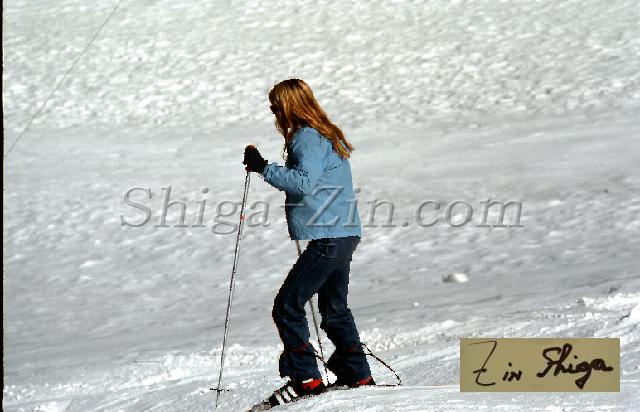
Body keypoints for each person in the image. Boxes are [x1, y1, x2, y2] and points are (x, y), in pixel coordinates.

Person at [242, 79, 374, 406]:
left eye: (275, 106)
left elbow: (303, 183)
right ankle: (357, 374)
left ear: (289, 106)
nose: (273, 111)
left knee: (287, 305)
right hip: (344, 232)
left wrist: (263, 167)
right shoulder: (325, 134)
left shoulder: (307, 137)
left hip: (330, 236)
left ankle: (306, 379)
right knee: (334, 310)